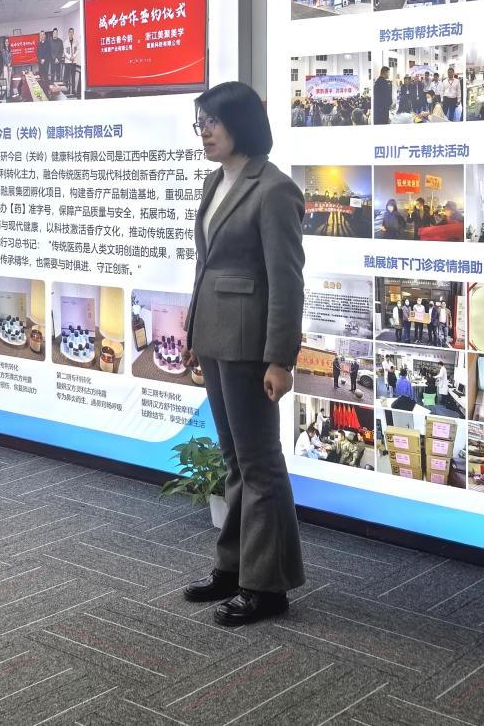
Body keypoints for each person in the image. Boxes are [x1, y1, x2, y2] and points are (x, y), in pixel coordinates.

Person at [181, 81, 305, 626]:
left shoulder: (274, 189)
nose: (204, 132)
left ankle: (267, 586)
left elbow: (287, 280)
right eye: (200, 122)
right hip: (215, 338)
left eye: (213, 122)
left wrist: (281, 359)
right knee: (236, 461)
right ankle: (233, 568)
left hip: (252, 345)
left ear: (242, 124)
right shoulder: (217, 180)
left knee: (260, 465)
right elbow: (206, 267)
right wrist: (194, 333)